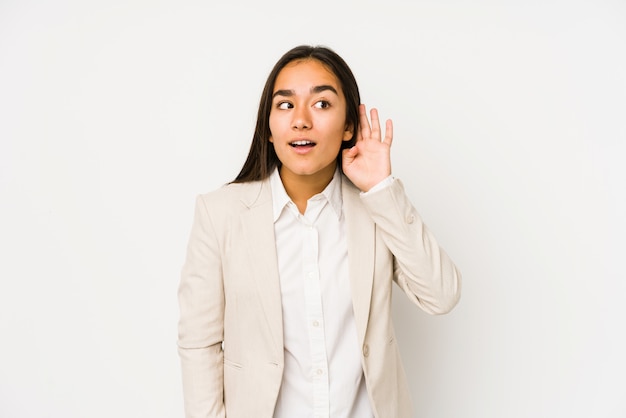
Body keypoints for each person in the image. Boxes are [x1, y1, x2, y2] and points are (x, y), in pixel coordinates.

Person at [177, 45, 461, 418]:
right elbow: (199, 343)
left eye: (322, 104)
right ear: (268, 127)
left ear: (348, 127)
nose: (301, 120)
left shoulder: (375, 208)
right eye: (285, 105)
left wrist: (382, 190)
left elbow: (441, 296)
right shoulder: (220, 214)